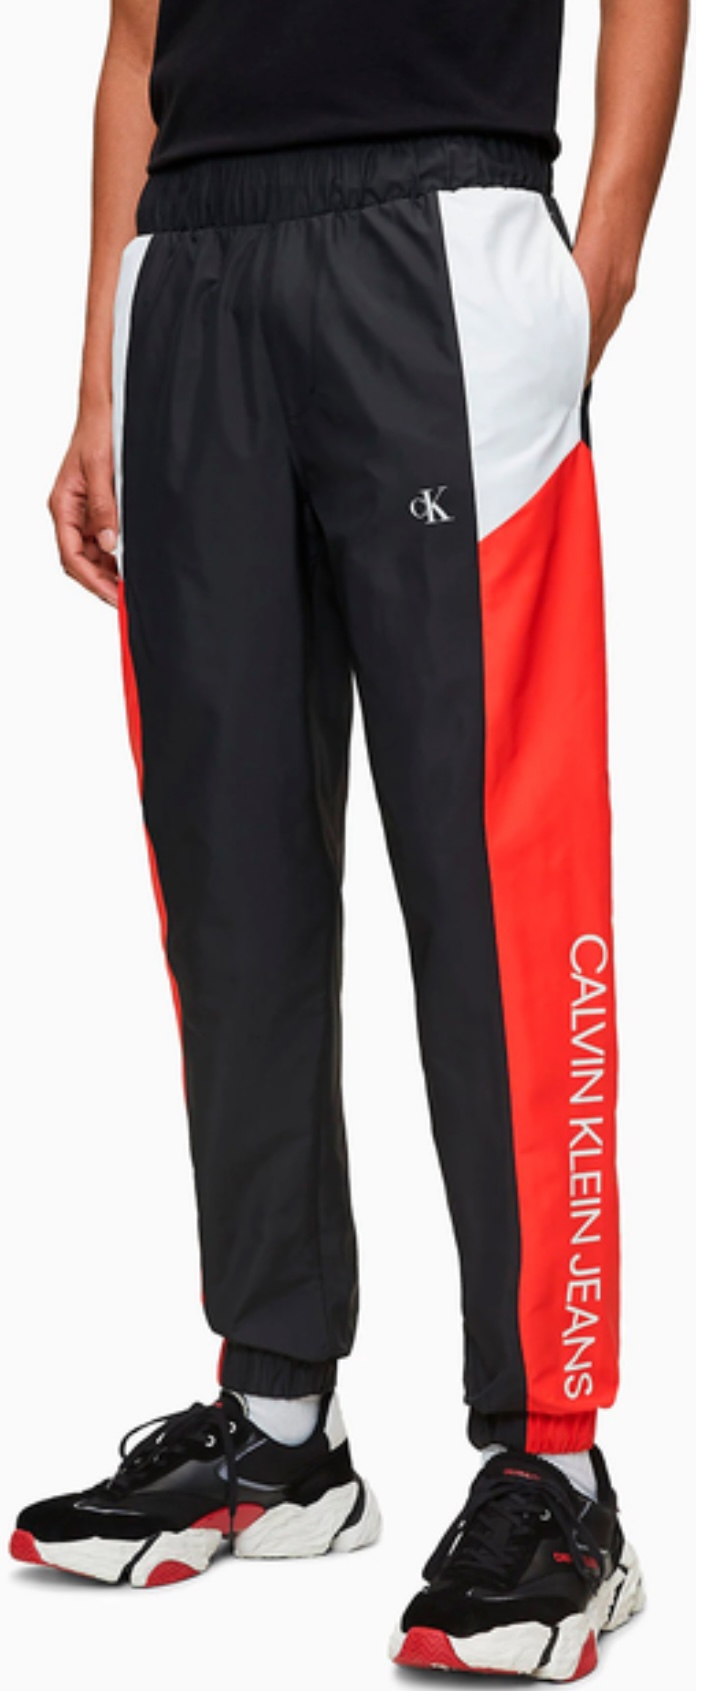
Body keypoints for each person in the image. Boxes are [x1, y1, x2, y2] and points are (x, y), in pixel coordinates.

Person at [9, 0, 687, 1676]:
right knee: (228, 890)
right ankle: (277, 1423)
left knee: (498, 885)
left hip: (438, 239)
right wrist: (100, 369)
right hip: (193, 266)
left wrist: (595, 270)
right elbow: (136, 37)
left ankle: (553, 1464)